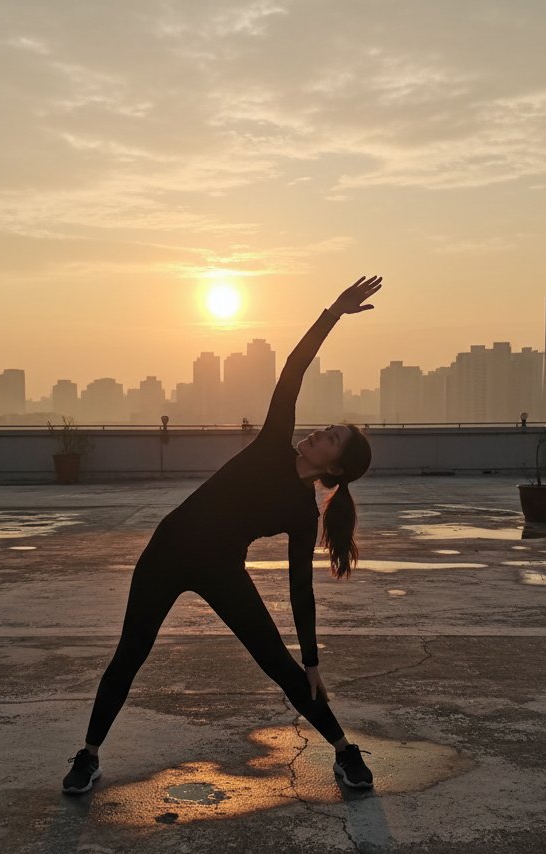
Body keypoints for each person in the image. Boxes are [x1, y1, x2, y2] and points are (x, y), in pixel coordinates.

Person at [63, 276, 382, 795]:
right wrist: (333, 314)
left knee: (279, 666)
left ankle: (344, 753)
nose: (323, 432)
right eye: (329, 428)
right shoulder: (273, 442)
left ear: (336, 468)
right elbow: (294, 369)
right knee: (130, 654)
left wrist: (314, 660)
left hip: (220, 570)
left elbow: (301, 588)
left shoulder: (304, 513)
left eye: (333, 438)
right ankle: (89, 756)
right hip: (166, 553)